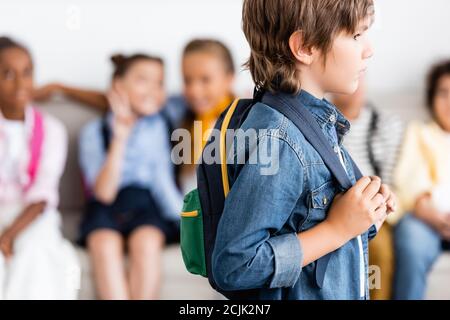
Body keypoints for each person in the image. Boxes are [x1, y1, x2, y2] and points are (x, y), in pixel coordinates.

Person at [212, 0, 396, 300]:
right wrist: (336, 229)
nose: (369, 49)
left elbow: (310, 224)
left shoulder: (314, 123)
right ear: (306, 46)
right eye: (357, 36)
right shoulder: (281, 138)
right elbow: (235, 264)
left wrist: (365, 216)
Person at [76, 54, 181, 300]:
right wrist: (120, 137)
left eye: (160, 83)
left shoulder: (167, 120)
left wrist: (185, 221)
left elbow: (209, 97)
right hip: (107, 205)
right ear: (118, 88)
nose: (154, 90)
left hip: (147, 205)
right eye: (143, 81)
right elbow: (103, 193)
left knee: (146, 244)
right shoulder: (94, 132)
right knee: (103, 243)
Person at [0, 36, 79, 300]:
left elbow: (43, 192)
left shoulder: (52, 130)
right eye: (7, 74)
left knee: (35, 250)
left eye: (27, 73)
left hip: (32, 214)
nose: (20, 83)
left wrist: (9, 235)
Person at [332, 78, 405, 300]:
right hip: (334, 207)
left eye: (360, 79)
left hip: (375, 208)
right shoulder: (322, 123)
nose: (354, 88)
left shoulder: (384, 124)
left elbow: (391, 179)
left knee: (379, 249)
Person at [393, 60, 450, 300]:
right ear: (431, 98)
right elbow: (409, 179)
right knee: (411, 237)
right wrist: (435, 217)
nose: (449, 102)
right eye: (443, 93)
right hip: (427, 219)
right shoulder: (419, 132)